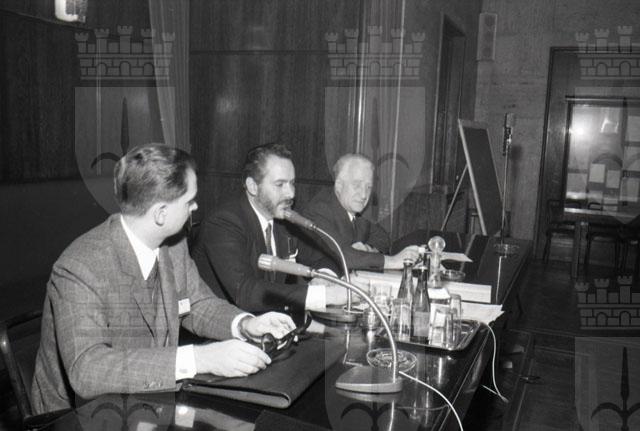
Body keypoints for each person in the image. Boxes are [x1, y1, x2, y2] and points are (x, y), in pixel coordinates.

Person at [31, 144, 295, 414]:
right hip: (80, 416)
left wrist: (246, 324)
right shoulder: (80, 266)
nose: (196, 206)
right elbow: (87, 369)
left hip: (150, 399)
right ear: (160, 213)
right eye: (189, 201)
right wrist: (199, 359)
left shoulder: (173, 244)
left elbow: (197, 303)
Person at [191, 143, 347, 313]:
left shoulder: (285, 219)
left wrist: (325, 277)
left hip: (272, 320)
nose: (291, 194)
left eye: (292, 183)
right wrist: (324, 296)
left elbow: (326, 257)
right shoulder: (223, 222)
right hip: (226, 324)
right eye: (280, 185)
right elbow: (246, 292)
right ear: (252, 186)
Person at [296, 153, 419, 274]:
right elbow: (344, 256)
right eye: (357, 185)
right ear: (339, 185)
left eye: (368, 187)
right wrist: (393, 261)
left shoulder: (354, 211)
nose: (364, 195)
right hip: (314, 283)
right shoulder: (318, 210)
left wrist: (367, 248)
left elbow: (382, 238)